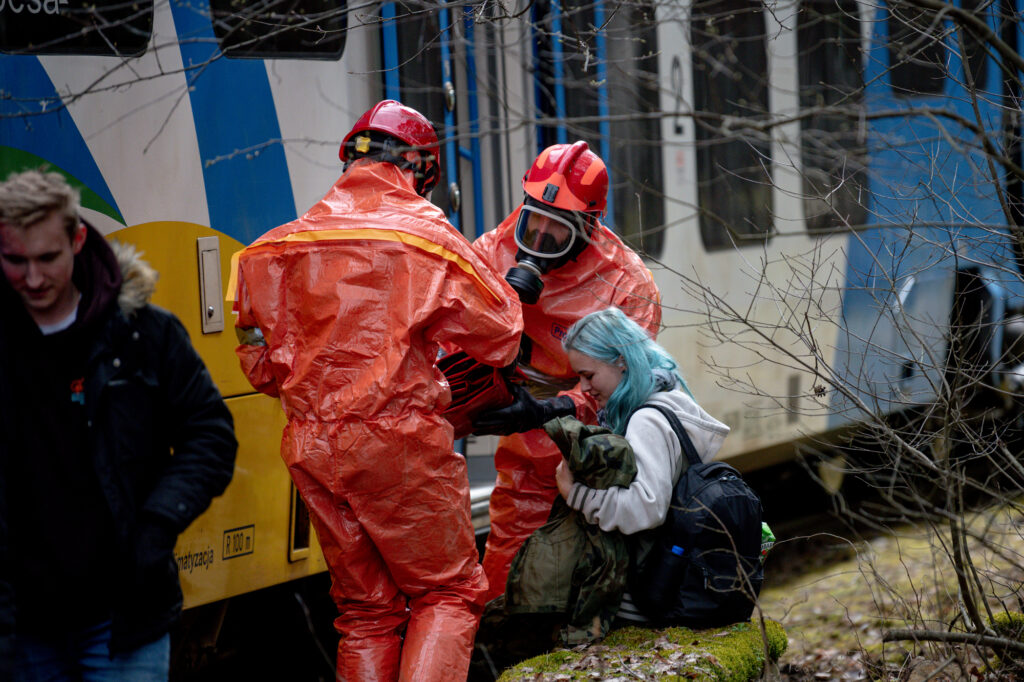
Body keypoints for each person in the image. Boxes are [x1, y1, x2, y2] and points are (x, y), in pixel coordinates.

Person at [232, 100, 524, 681]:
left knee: (365, 611)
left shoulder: (269, 252)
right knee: (448, 593)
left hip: (312, 449)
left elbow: (264, 371)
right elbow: (503, 339)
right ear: (419, 168)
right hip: (400, 443)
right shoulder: (427, 237)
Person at [0, 169, 237, 680]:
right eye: (15, 261)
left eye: (47, 259)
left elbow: (211, 435)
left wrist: (156, 526)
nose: (33, 279)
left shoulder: (142, 334)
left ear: (77, 240)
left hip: (123, 617)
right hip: (23, 626)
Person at [470, 141, 662, 600]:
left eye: (556, 229)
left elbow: (627, 386)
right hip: (526, 434)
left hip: (598, 441)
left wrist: (551, 408)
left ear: (588, 227)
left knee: (601, 559)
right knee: (509, 555)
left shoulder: (625, 283)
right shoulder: (494, 251)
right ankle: (507, 644)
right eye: (533, 220)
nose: (538, 240)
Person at [554, 307, 729, 625]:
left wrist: (575, 494)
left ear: (621, 360)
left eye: (588, 375)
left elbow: (646, 508)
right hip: (667, 580)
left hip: (645, 597)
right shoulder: (668, 394)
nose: (583, 388)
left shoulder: (646, 419)